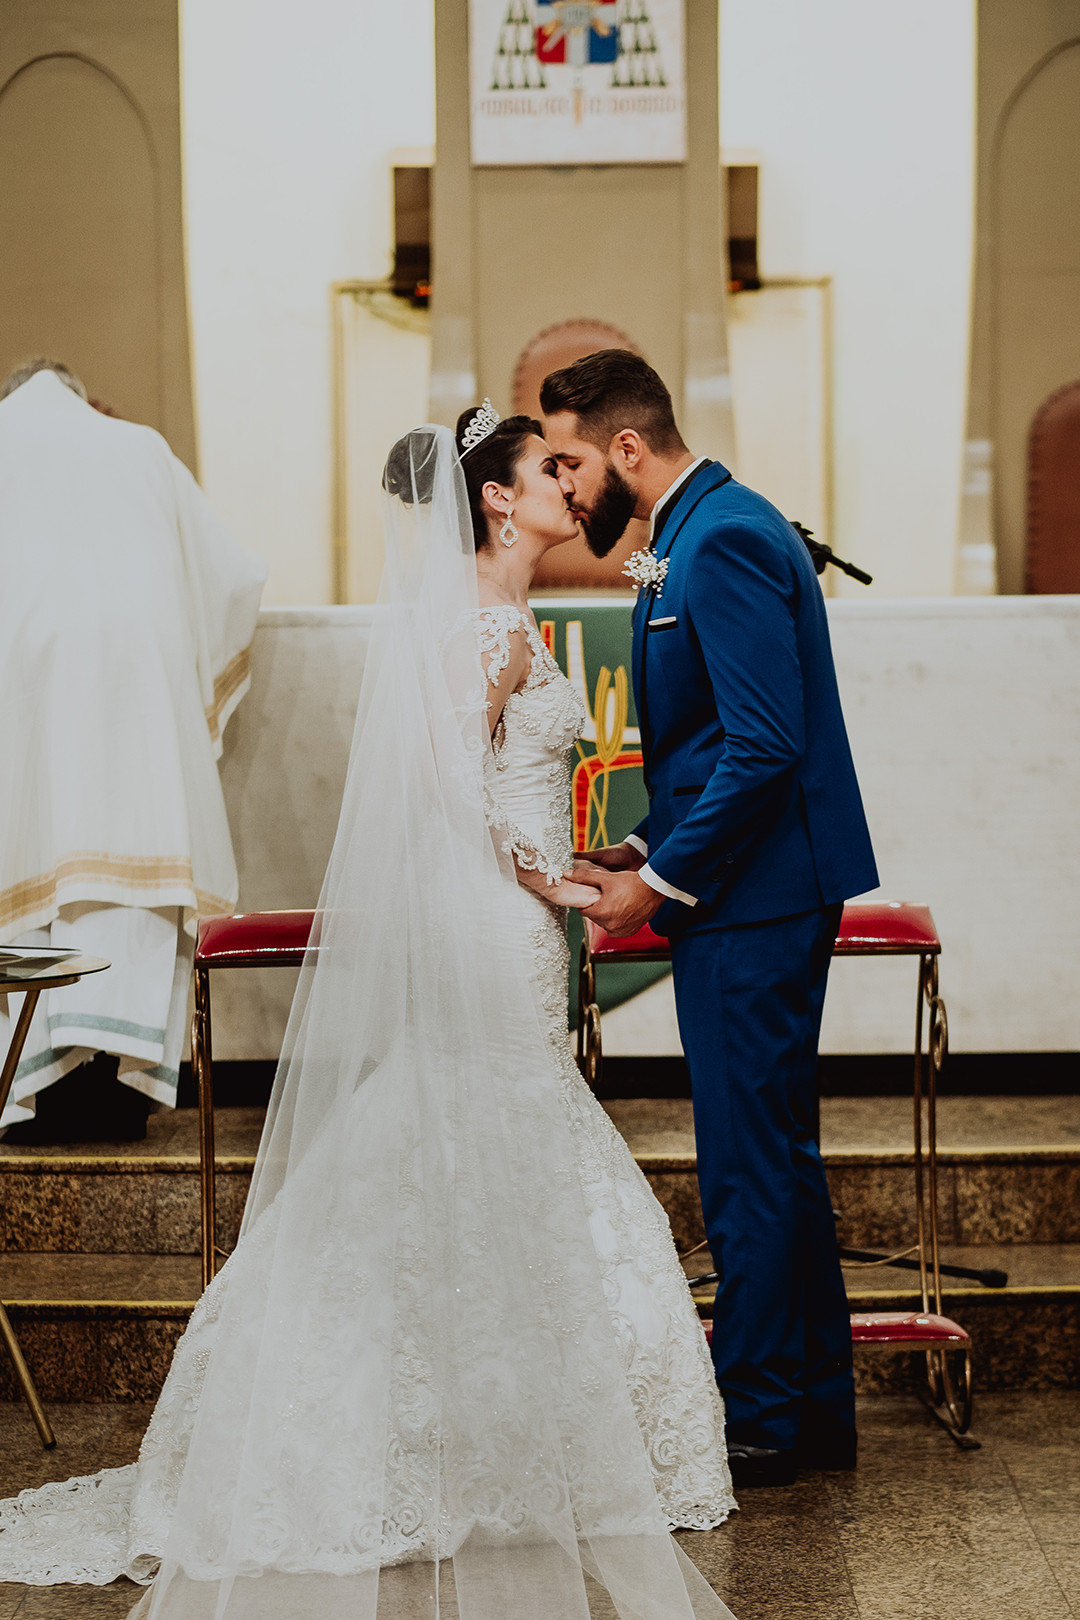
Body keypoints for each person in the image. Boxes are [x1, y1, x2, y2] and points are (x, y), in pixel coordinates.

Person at [0, 410, 738, 1620]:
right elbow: (438, 776)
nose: (571, 484)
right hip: (492, 920)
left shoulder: (499, 614)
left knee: (479, 1126)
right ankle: (466, 1442)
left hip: (502, 918)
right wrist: (538, 873)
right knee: (489, 1119)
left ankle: (484, 1430)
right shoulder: (489, 624)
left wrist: (559, 856)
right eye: (548, 472)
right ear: (497, 501)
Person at [541, 350, 879, 1489]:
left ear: (628, 448)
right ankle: (809, 1411)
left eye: (577, 460)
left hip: (756, 897)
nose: (570, 485)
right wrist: (636, 843)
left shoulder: (723, 535)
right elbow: (697, 747)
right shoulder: (674, 542)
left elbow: (766, 742)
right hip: (747, 887)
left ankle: (768, 1417)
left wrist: (660, 883)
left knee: (749, 1165)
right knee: (774, 1157)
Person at [0, 358, 266, 1139]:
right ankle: (117, 1088)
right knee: (134, 879)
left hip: (25, 682)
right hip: (137, 689)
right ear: (84, 398)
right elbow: (234, 577)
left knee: (35, 863)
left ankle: (36, 1086)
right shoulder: (139, 446)